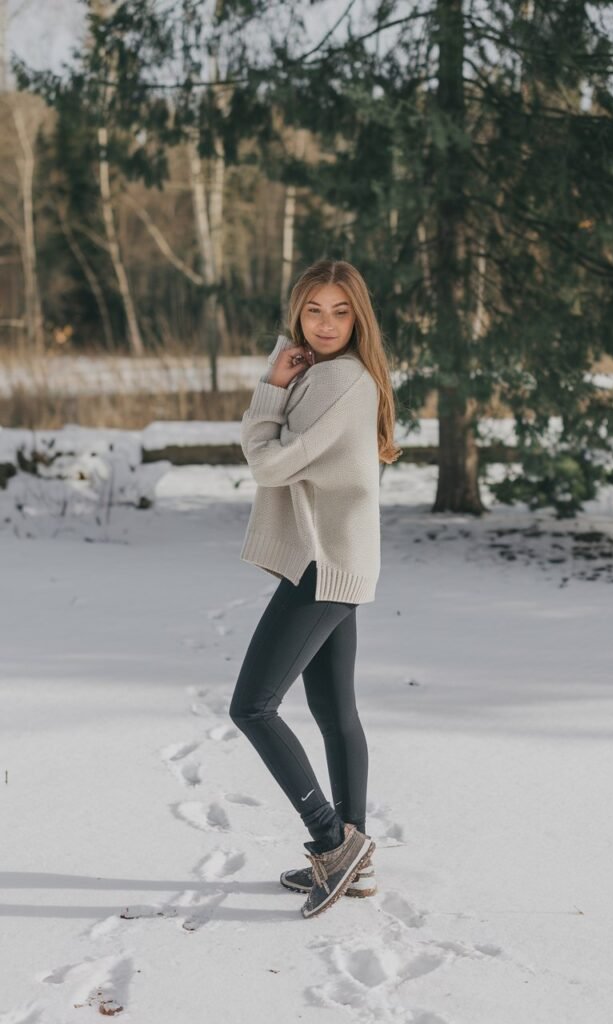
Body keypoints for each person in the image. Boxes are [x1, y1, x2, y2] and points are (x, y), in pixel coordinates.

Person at [229, 258, 402, 918]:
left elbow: (267, 460)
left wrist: (270, 389)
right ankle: (354, 863)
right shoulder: (329, 372)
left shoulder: (335, 380)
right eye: (314, 311)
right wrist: (282, 375)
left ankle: (333, 844)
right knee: (335, 715)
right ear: (296, 313)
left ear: (358, 318)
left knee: (252, 707)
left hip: (324, 568)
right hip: (337, 562)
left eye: (340, 312)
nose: (326, 324)